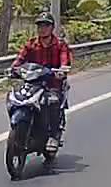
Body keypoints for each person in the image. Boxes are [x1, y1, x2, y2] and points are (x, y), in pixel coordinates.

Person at [12, 12, 72, 149]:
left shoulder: (60, 45)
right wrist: (14, 69)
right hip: (33, 83)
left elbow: (65, 60)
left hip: (52, 84)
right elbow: (20, 59)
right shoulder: (31, 44)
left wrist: (62, 70)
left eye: (46, 25)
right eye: (40, 26)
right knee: (17, 99)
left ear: (52, 28)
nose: (42, 29)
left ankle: (53, 136)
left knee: (52, 101)